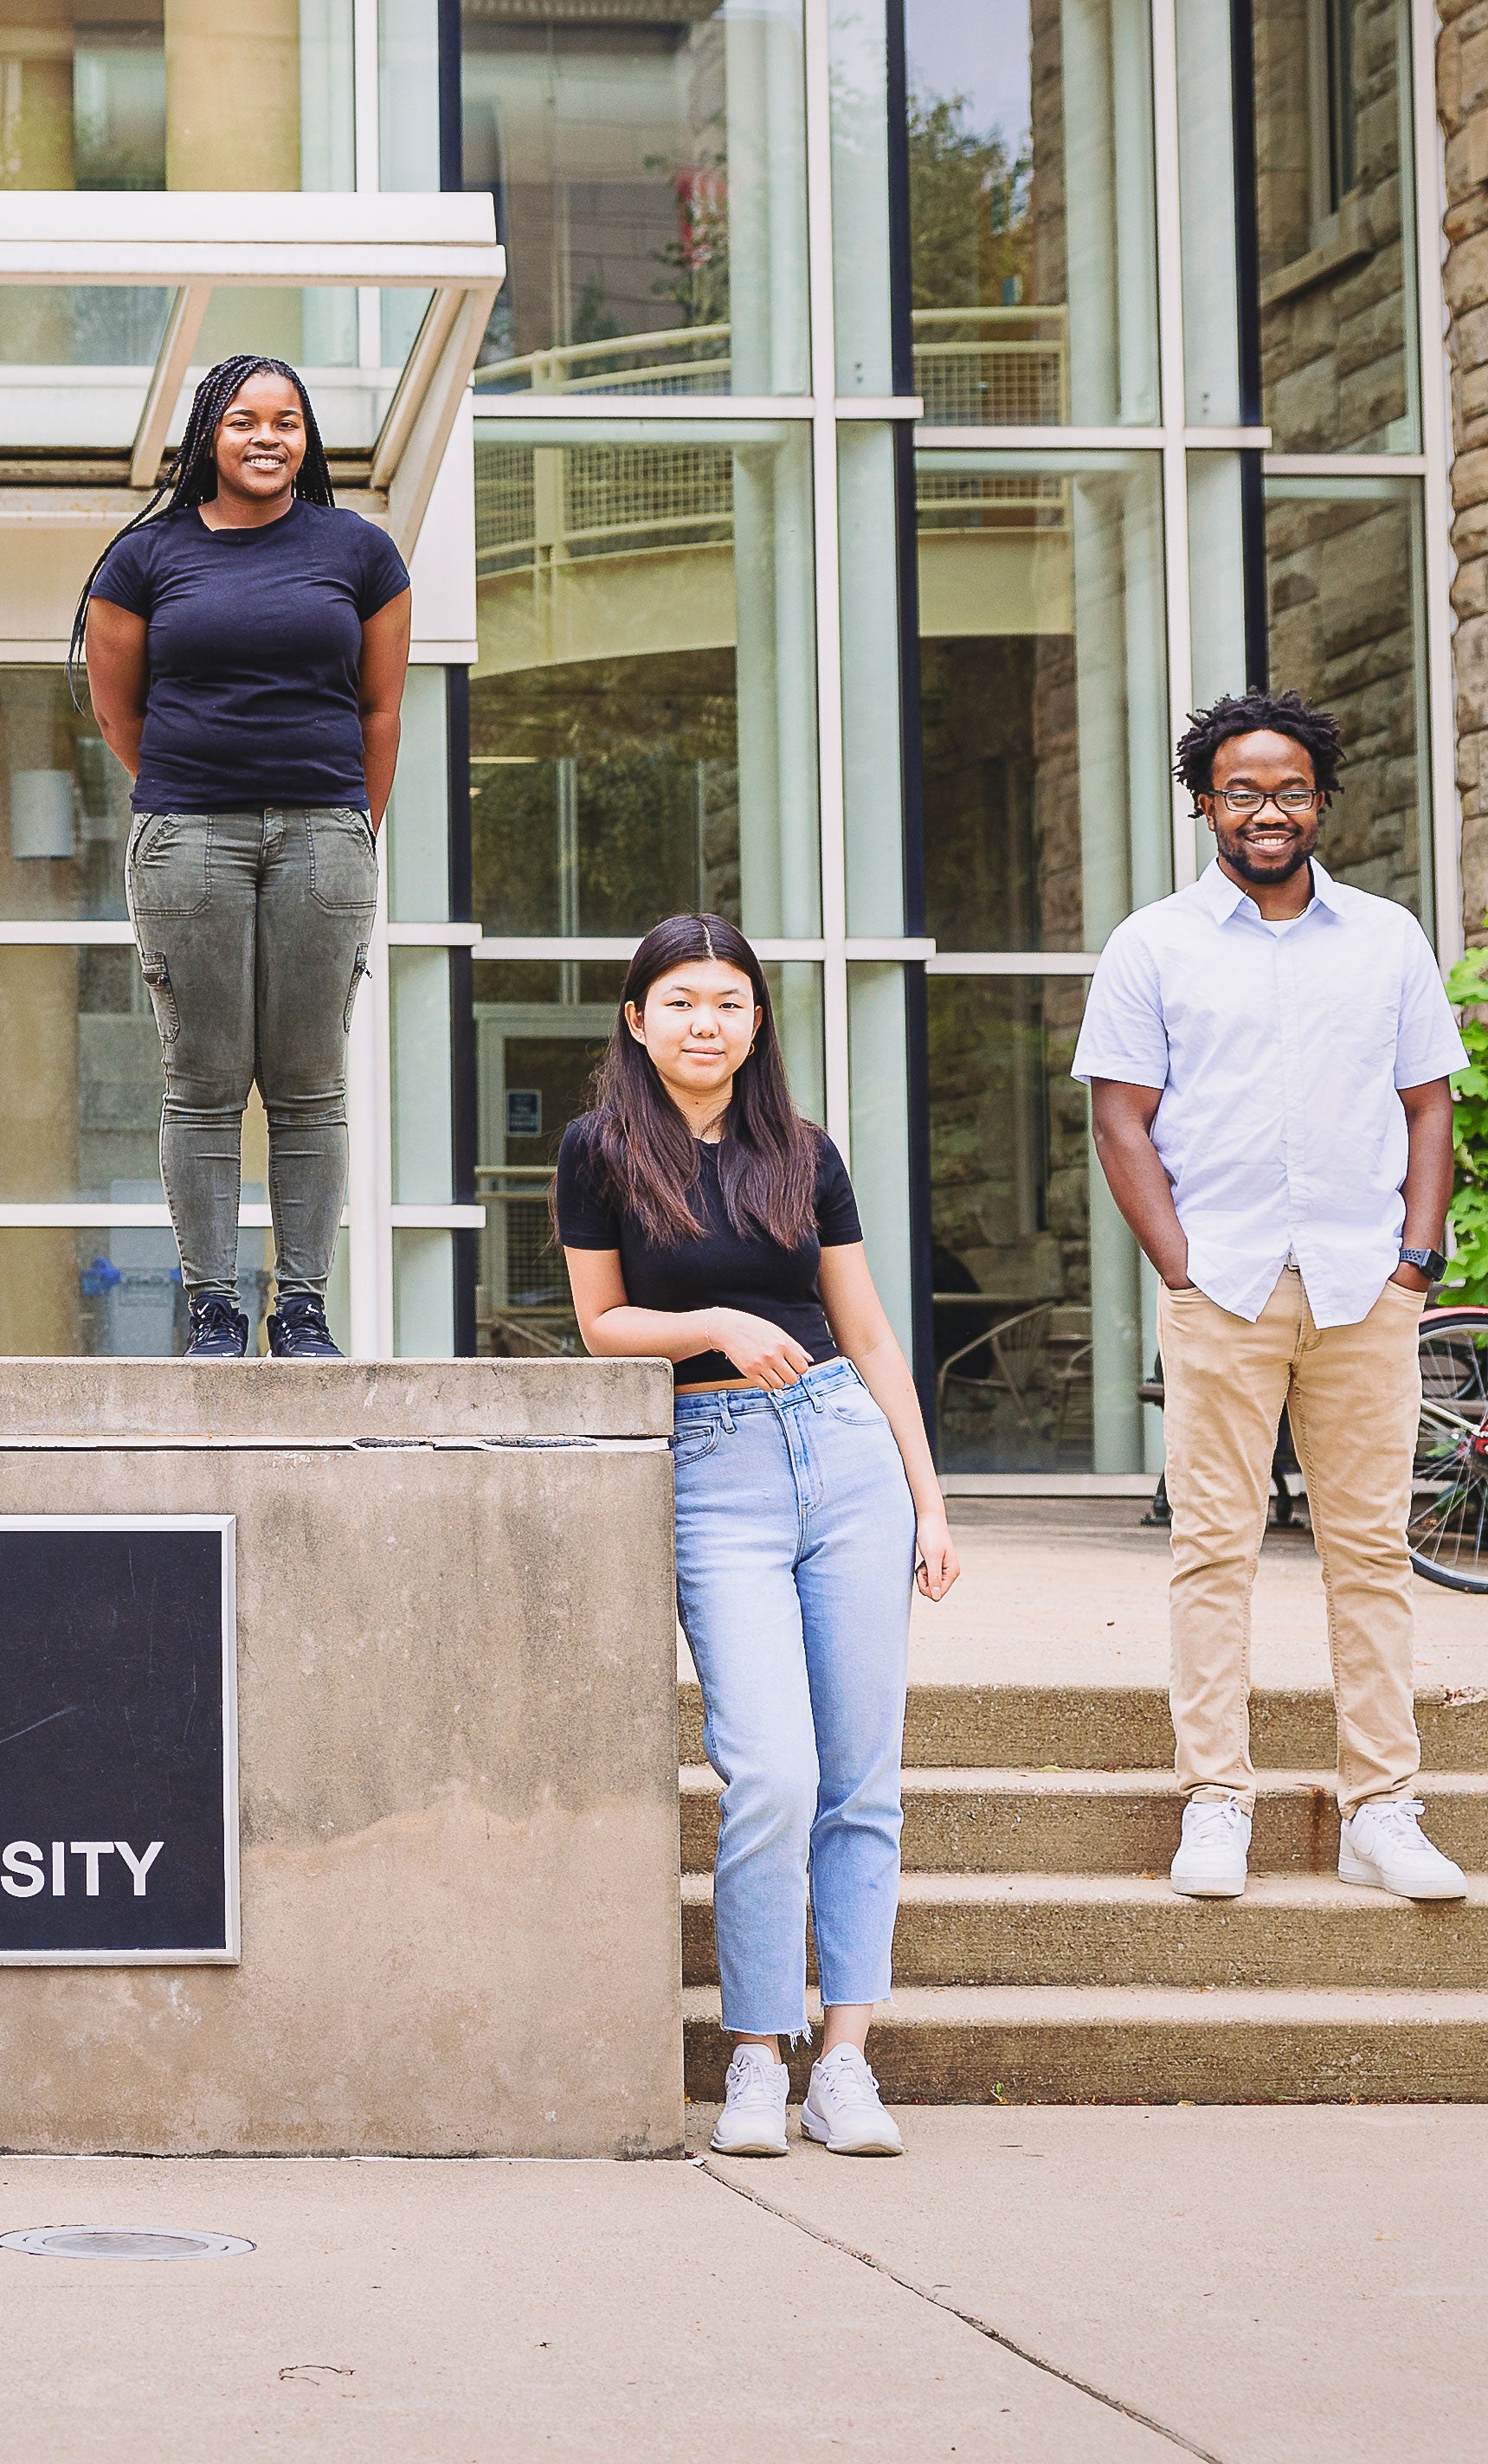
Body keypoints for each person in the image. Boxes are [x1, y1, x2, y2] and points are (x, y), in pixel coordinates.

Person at [557, 914, 959, 2160]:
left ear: (756, 1023)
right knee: (772, 1771)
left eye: (729, 1002)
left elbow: (873, 1335)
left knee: (859, 1779)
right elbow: (600, 1323)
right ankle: (752, 2055)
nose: (704, 1023)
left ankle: (844, 2062)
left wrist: (929, 1495)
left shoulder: (804, 1150)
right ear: (637, 1019)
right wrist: (717, 1322)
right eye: (680, 1000)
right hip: (716, 1469)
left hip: (843, 1452)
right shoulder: (601, 1150)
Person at [1079, 691, 1470, 1909]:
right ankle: (1216, 1799)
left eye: (1289, 789)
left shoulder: (1388, 937)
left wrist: (1416, 1257)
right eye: (1241, 790)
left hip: (1366, 1288)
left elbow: (1429, 1104)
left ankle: (1382, 1807)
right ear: (1204, 802)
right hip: (1225, 1291)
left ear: (1318, 801)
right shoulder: (1153, 945)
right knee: (1214, 1551)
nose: (1267, 810)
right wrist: (1181, 1266)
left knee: (1371, 1553)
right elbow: (1120, 1118)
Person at [81, 355, 410, 1362]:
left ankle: (302, 1308)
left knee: (309, 1083)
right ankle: (213, 1308)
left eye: (287, 422)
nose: (267, 438)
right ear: (206, 437)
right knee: (204, 1078)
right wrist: (194, 787)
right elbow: (116, 707)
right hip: (189, 837)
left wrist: (353, 825)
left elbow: (382, 710)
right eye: (243, 420)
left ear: (307, 440)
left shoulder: (361, 552)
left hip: (323, 835)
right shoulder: (144, 558)